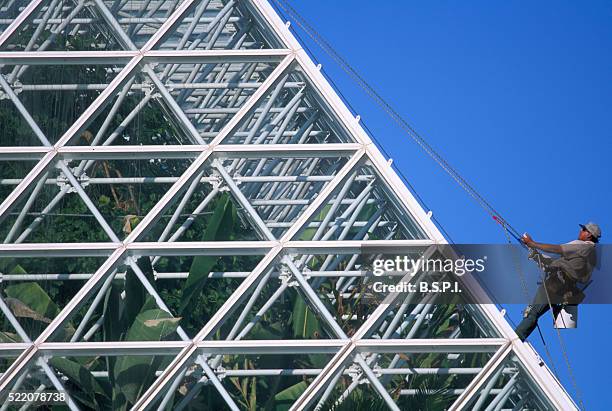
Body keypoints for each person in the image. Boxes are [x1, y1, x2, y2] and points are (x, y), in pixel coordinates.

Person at [514, 222, 601, 341]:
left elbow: (557, 250)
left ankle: (515, 339)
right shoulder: (592, 256)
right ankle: (518, 339)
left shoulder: (583, 246)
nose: (580, 231)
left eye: (583, 230)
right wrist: (536, 256)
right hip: (563, 291)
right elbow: (561, 265)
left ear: (589, 235)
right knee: (535, 313)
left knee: (532, 313)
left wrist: (532, 243)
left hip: (555, 284)